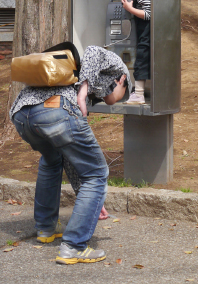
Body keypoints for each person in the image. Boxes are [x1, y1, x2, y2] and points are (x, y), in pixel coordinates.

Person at [10, 45, 129, 265]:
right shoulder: (118, 67)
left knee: (53, 159)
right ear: (121, 81)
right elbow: (93, 50)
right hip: (56, 110)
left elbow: (74, 160)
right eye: (123, 95)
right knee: (97, 172)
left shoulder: (81, 79)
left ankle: (45, 228)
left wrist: (92, 199)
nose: (118, 100)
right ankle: (74, 246)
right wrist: (83, 92)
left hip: (23, 114)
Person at [121, 0, 153, 104]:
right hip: (142, 33)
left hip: (147, 34)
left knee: (141, 61)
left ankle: (139, 94)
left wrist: (130, 8)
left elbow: (149, 14)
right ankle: (138, 92)